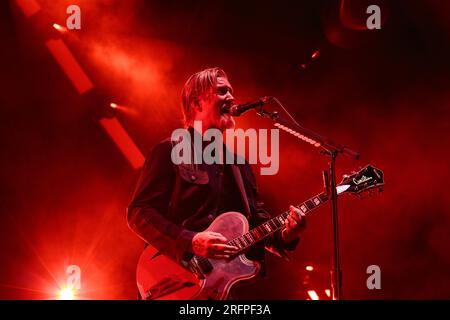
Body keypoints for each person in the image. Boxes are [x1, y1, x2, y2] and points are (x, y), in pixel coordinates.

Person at [127, 67, 306, 299]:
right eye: (222, 91)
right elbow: (139, 214)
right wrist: (191, 241)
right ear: (196, 103)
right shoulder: (170, 150)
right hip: (175, 283)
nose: (231, 97)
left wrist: (287, 234)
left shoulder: (238, 164)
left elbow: (257, 225)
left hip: (219, 290)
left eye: (231, 91)